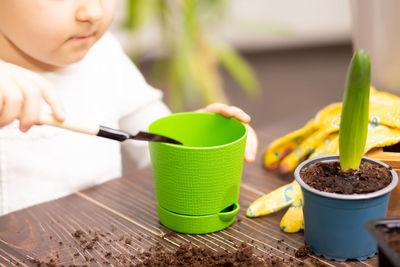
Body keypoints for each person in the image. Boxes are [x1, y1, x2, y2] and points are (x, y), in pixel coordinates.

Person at [0, 0, 258, 215]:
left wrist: (195, 142)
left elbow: (155, 142)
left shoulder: (104, 54)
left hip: (98, 241)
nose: (93, 11)